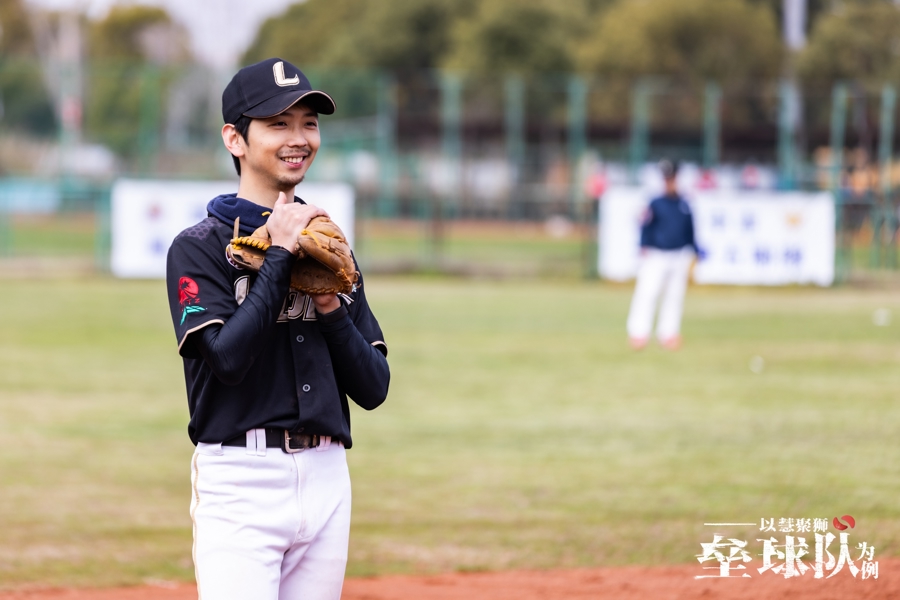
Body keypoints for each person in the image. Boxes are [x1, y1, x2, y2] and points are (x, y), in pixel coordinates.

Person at [165, 57, 390, 600]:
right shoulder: (198, 247)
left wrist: (330, 303)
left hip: (328, 475)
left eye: (309, 123)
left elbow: (373, 387)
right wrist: (280, 255)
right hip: (241, 479)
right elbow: (227, 359)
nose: (299, 138)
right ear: (235, 139)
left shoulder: (327, 242)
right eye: (278, 124)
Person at [626, 159, 697, 350]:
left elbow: (691, 230)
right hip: (656, 254)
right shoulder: (655, 203)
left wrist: (695, 251)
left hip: (678, 254)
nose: (670, 182)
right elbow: (646, 227)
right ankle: (638, 333)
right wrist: (643, 246)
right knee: (647, 293)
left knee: (674, 296)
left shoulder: (684, 203)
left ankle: (668, 333)